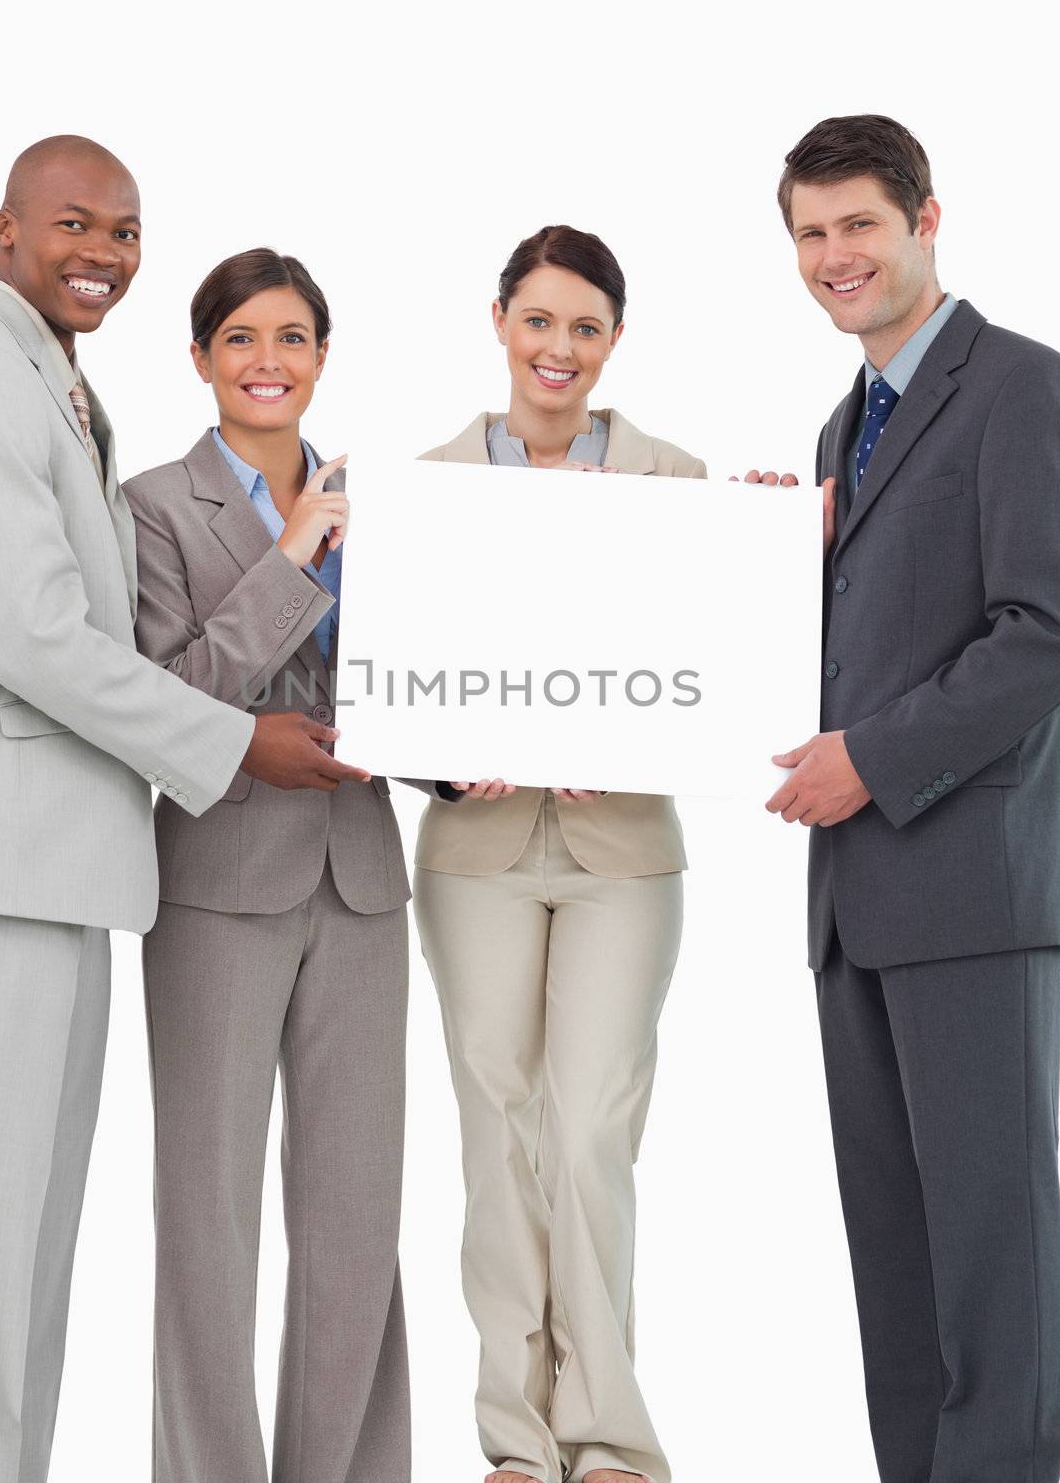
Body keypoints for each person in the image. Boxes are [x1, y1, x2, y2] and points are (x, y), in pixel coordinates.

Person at [0, 142, 364, 1483]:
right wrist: (229, 739)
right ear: (5, 227)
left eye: (125, 231)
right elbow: (33, 637)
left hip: (58, 872)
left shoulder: (58, 389)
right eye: (73, 223)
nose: (102, 251)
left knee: (18, 1253)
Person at [754, 114, 1060, 1483]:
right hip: (855, 901)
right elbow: (860, 637)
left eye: (857, 224)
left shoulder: (1022, 388)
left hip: (968, 884)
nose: (832, 255)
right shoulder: (840, 426)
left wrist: (875, 762)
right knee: (895, 1273)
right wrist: (759, 565)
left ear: (923, 223)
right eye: (808, 232)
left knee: (986, 1264)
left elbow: (1049, 630)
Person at [122, 248, 458, 1483]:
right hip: (216, 884)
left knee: (357, 1220)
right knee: (207, 1214)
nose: (270, 363)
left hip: (363, 882)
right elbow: (164, 695)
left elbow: (432, 677)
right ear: (203, 356)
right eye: (244, 339)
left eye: (295, 339)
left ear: (323, 357)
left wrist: (465, 756)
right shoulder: (152, 505)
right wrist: (293, 558)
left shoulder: (391, 501)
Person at [415, 225, 703, 1483]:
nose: (559, 348)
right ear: (499, 321)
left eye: (585, 326)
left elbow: (717, 675)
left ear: (614, 341)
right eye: (539, 320)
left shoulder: (679, 484)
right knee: (496, 1131)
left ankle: (609, 1435)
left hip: (621, 851)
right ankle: (516, 1444)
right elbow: (391, 683)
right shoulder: (421, 483)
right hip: (476, 848)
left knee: (589, 1130)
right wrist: (441, 756)